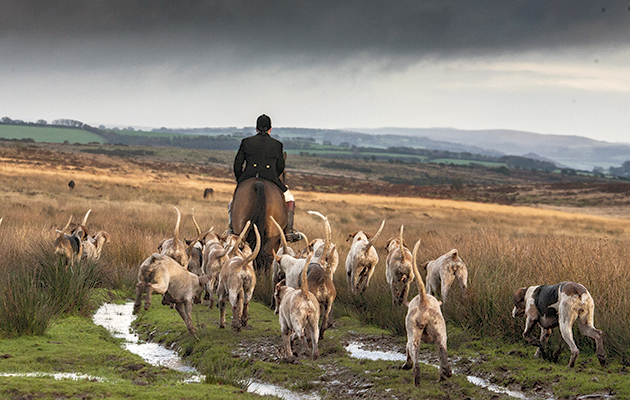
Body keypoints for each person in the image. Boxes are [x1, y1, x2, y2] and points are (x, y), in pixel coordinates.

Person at [230, 114, 302, 242]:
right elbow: (280, 166)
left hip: (248, 177)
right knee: (290, 198)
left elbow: (237, 165)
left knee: (233, 201)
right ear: (270, 129)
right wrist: (274, 176)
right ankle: (288, 231)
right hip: (271, 178)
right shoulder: (277, 145)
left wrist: (242, 181)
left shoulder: (246, 142)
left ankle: (232, 228)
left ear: (256, 129)